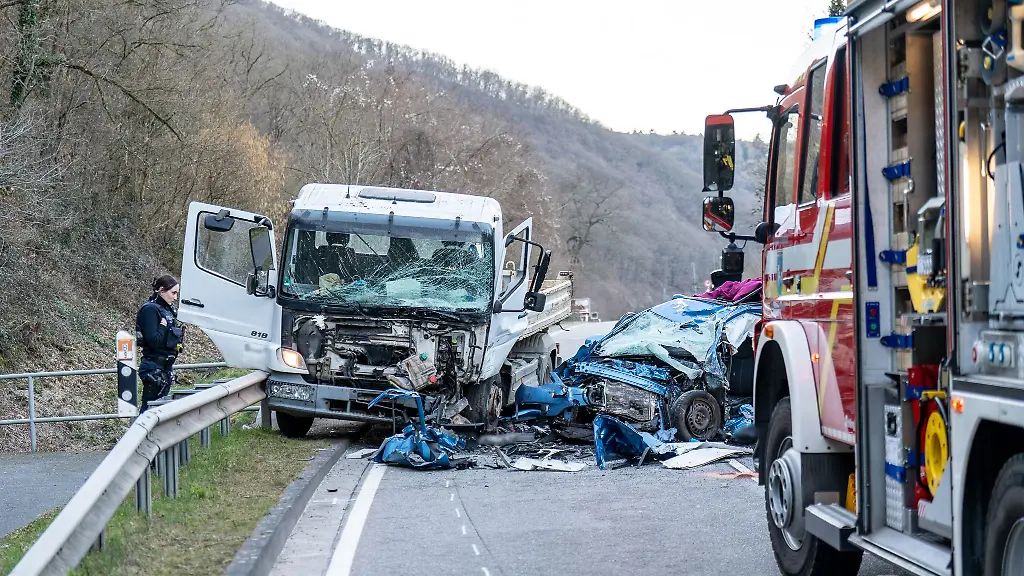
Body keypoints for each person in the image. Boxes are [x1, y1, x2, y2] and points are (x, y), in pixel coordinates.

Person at [135, 275, 184, 413]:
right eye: (173, 293)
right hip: (153, 368)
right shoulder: (150, 310)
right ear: (161, 290)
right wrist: (162, 327)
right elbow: (153, 341)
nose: (175, 298)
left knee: (157, 411)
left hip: (164, 368)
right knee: (150, 411)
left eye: (177, 294)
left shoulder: (167, 311)